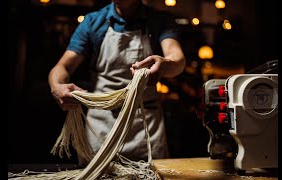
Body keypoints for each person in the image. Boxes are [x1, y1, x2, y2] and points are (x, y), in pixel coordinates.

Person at [48, 0, 186, 164]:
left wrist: (164, 66)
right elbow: (62, 66)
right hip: (101, 125)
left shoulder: (160, 20)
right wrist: (57, 86)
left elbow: (177, 59)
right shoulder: (93, 21)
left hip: (144, 126)